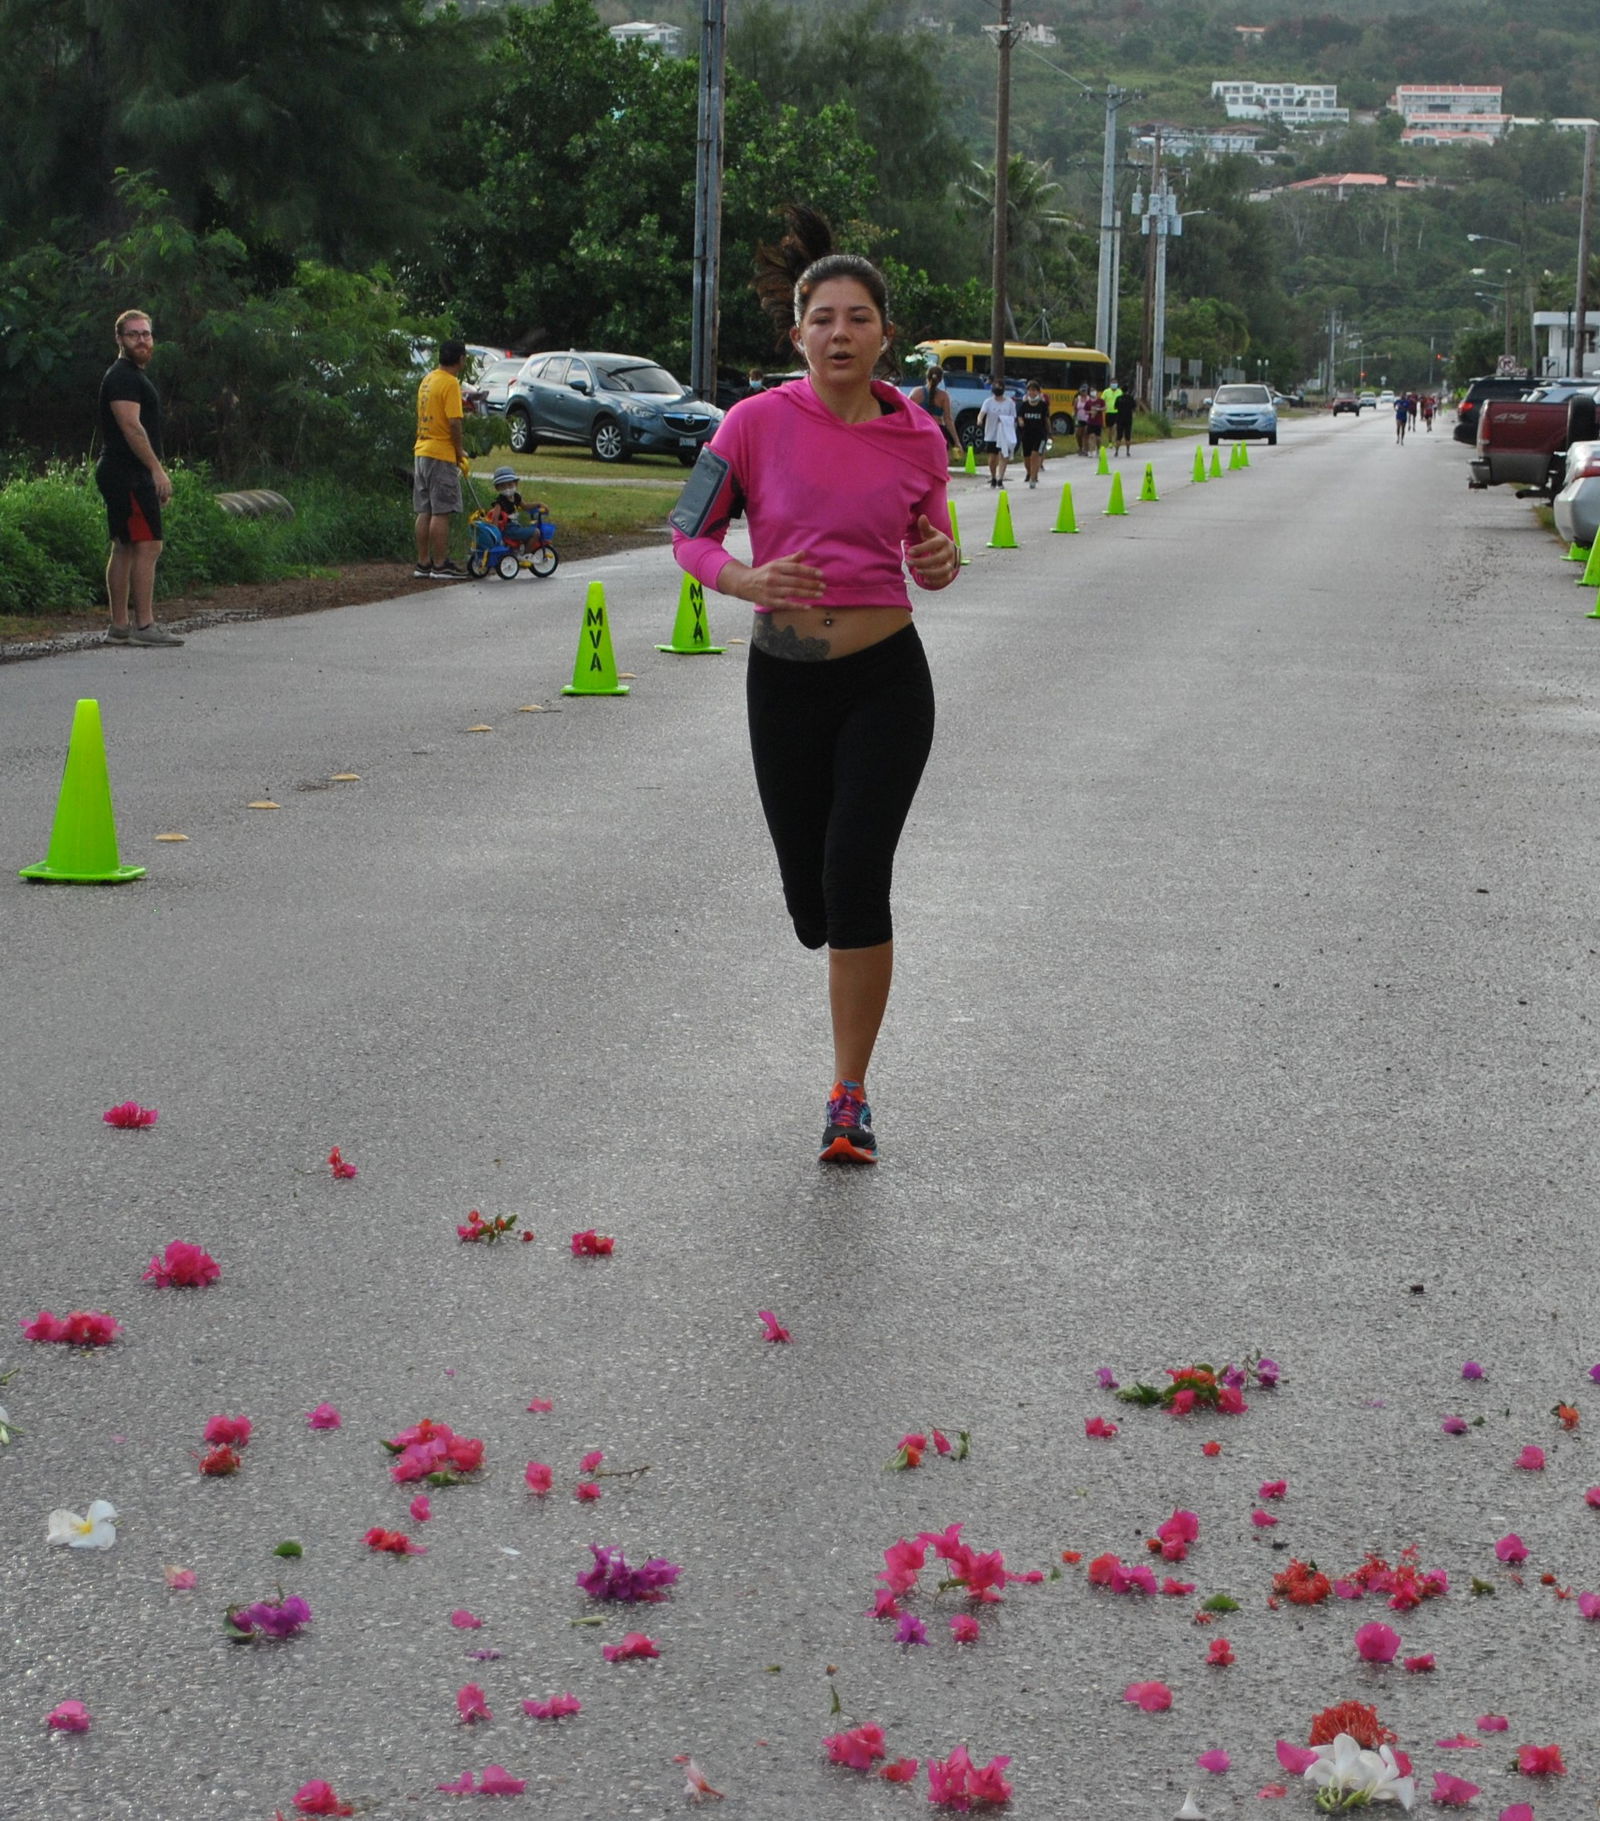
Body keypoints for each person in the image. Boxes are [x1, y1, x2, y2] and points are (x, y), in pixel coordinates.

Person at [670, 204, 957, 1166]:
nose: (840, 333)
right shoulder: (751, 424)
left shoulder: (920, 438)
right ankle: (836, 993)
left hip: (887, 679)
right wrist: (742, 578)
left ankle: (849, 1096)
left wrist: (941, 557)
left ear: (886, 332)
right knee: (811, 905)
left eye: (858, 317)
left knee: (854, 875)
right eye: (822, 317)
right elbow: (688, 535)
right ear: (797, 333)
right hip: (784, 681)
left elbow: (932, 552)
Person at [96, 309, 183, 646]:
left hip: (122, 472)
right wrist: (156, 470)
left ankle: (119, 627)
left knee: (125, 548)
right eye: (133, 334)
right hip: (128, 474)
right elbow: (131, 427)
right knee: (148, 546)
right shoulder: (123, 377)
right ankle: (144, 627)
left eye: (146, 334)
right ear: (119, 339)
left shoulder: (130, 376)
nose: (142, 340)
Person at [413, 339, 470, 580]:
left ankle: (423, 562)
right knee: (441, 510)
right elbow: (454, 421)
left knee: (424, 509)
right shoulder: (450, 383)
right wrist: (459, 452)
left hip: (422, 449)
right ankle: (440, 564)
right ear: (461, 359)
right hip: (440, 452)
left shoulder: (428, 379)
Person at [486, 465, 546, 553]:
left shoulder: (516, 497)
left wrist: (538, 504)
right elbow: (495, 517)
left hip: (516, 526)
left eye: (510, 485)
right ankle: (526, 554)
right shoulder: (500, 502)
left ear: (516, 484)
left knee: (528, 531)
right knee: (536, 532)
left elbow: (525, 506)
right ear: (497, 488)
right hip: (508, 529)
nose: (507, 489)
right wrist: (496, 534)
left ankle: (519, 550)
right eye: (503, 486)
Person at [908, 364, 960, 458]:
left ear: (927, 376)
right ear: (940, 380)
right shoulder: (943, 396)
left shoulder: (915, 392)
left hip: (919, 431)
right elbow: (948, 420)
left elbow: (907, 413)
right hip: (937, 431)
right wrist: (956, 441)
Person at [976, 380, 1016, 487]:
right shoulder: (988, 402)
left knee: (1003, 455)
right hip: (991, 433)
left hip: (1004, 433)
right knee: (992, 458)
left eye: (1000, 387)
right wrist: (979, 419)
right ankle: (993, 476)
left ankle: (1000, 478)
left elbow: (1013, 417)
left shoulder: (1010, 403)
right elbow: (982, 413)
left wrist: (1005, 420)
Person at [1016, 377, 1050, 487]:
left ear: (1038, 392)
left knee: (1035, 455)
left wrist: (1050, 433)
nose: (1032, 392)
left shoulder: (1043, 405)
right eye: (1030, 390)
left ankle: (1033, 478)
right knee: (1027, 458)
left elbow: (1046, 420)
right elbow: (1020, 416)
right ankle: (1030, 473)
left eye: (1034, 390)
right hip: (1027, 434)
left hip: (1040, 435)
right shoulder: (1024, 404)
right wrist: (1020, 421)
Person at [1112, 380, 1136, 457]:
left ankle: (1116, 452)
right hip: (1128, 418)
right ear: (1128, 390)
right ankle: (1128, 451)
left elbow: (1115, 407)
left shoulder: (1118, 398)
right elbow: (1134, 408)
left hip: (1119, 418)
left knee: (1119, 435)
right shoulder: (1131, 398)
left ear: (1121, 390)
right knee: (1127, 435)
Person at [1084, 386, 1106, 457]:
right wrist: (1090, 412)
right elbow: (1085, 411)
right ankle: (1091, 450)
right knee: (1091, 436)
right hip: (1091, 421)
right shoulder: (1088, 402)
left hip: (1098, 422)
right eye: (1091, 391)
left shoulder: (1100, 401)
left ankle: (1098, 449)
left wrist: (1098, 409)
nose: (1093, 392)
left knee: (1098, 438)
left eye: (1094, 390)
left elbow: (1105, 408)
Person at [1074, 385, 1091, 456]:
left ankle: (1086, 449)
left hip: (1087, 419)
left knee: (1085, 434)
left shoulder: (1089, 399)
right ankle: (1080, 447)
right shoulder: (1077, 399)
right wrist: (1075, 417)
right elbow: (1075, 408)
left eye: (1084, 391)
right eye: (1082, 391)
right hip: (1080, 418)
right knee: (1078, 434)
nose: (1083, 392)